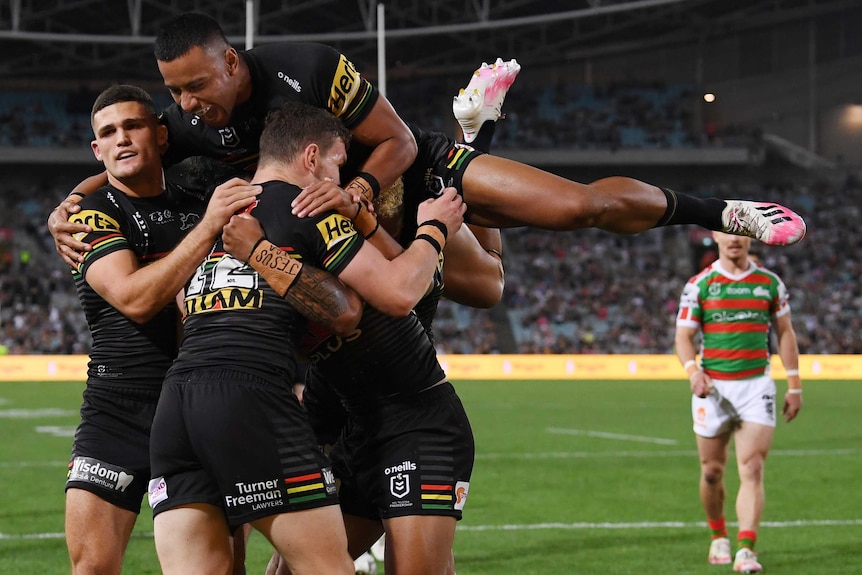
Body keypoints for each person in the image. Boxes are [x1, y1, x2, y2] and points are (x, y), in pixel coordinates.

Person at [48, 12, 806, 271]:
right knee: (483, 285)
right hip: (343, 231)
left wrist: (358, 191)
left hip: (403, 179)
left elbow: (401, 141)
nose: (186, 104)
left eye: (196, 85)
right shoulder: (182, 125)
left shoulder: (308, 68)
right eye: (174, 92)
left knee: (574, 212)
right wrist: (66, 207)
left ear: (231, 61)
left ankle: (725, 210)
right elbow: (124, 165)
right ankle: (484, 123)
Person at [148, 101, 466, 575]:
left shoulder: (220, 216)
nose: (342, 184)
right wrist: (434, 229)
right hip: (342, 418)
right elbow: (367, 302)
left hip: (414, 423)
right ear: (313, 158)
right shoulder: (302, 208)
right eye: (340, 164)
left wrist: (428, 226)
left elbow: (415, 289)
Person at [61, 83, 262, 575]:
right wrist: (208, 227)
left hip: (198, 405)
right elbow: (136, 298)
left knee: (221, 567)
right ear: (96, 149)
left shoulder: (197, 197)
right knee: (92, 566)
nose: (121, 139)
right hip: (118, 407)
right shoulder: (89, 215)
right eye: (108, 133)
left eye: (133, 126)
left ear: (161, 136)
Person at [674, 231, 802, 574]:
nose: (733, 240)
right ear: (715, 237)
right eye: (726, 233)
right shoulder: (700, 284)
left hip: (756, 386)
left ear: (750, 239)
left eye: (740, 234)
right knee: (712, 471)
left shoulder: (769, 283)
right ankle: (719, 535)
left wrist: (794, 384)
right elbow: (683, 337)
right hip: (713, 389)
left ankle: (746, 549)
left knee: (753, 468)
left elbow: (785, 332)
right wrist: (693, 372)